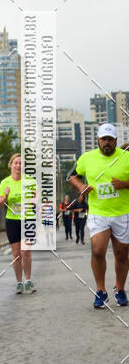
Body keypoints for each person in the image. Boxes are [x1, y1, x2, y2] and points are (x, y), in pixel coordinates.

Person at [68, 123, 129, 308]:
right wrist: (81, 187)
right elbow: (71, 176)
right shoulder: (87, 158)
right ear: (98, 140)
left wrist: (125, 184)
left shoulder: (126, 157)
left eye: (110, 139)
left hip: (122, 213)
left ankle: (120, 289)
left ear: (116, 140)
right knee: (98, 251)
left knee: (121, 255)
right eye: (104, 139)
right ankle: (100, 291)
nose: (107, 143)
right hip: (98, 213)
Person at [0, 154, 36, 294]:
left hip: (28, 219)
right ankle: (19, 282)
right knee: (16, 254)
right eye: (16, 163)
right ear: (11, 165)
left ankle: (28, 280)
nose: (18, 165)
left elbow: (38, 199)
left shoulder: (30, 181)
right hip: (12, 220)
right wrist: (6, 196)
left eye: (20, 163)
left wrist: (34, 198)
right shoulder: (4, 182)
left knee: (25, 251)